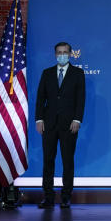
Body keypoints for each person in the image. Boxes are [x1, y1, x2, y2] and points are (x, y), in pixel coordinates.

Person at [35, 41, 86, 208]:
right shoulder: (47, 73)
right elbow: (40, 98)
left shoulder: (78, 74)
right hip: (49, 124)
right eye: (59, 52)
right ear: (55, 54)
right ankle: (48, 196)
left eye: (65, 52)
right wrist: (39, 119)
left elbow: (80, 99)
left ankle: (66, 196)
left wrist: (77, 119)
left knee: (67, 161)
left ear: (70, 54)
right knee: (48, 160)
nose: (61, 55)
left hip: (69, 124)